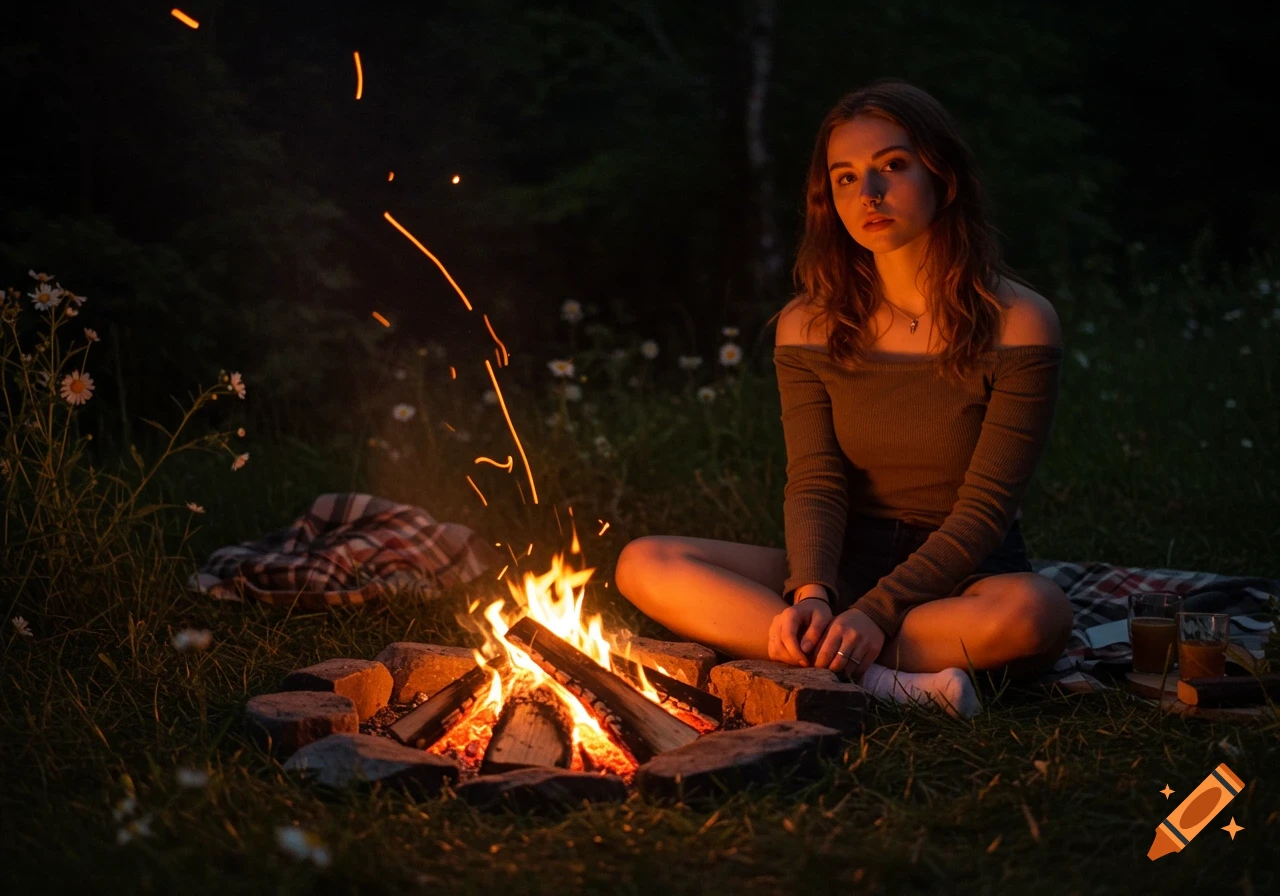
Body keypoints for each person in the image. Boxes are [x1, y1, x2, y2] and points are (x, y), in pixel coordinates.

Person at [613, 79, 1073, 719]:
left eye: (891, 166)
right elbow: (816, 480)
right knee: (646, 562)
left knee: (1036, 612)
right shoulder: (809, 324)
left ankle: (827, 659)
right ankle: (891, 685)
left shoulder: (1019, 320)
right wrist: (813, 592)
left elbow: (988, 507)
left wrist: (877, 610)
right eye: (846, 177)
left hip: (963, 576)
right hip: (843, 565)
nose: (871, 194)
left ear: (945, 175)